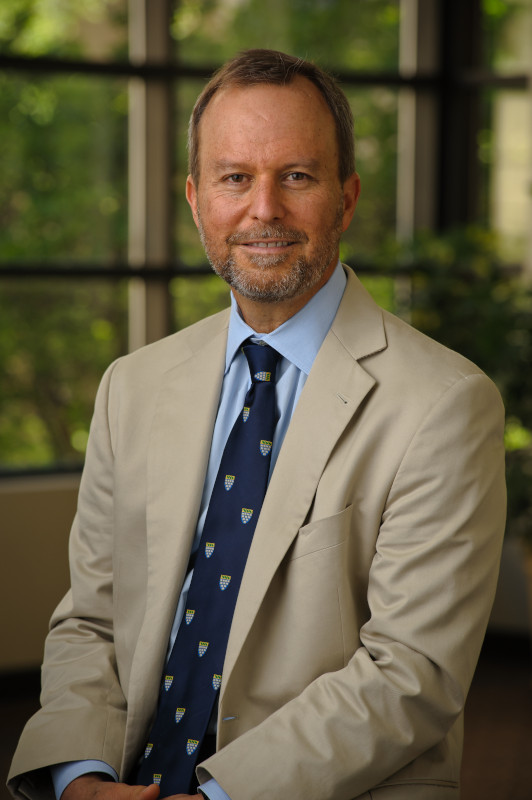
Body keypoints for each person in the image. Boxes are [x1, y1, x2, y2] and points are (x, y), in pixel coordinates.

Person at [8, 48, 506, 800]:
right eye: (234, 177)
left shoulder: (445, 403)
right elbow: (92, 621)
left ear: (346, 198)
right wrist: (82, 776)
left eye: (296, 176)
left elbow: (411, 672)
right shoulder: (132, 387)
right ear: (196, 198)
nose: (263, 208)